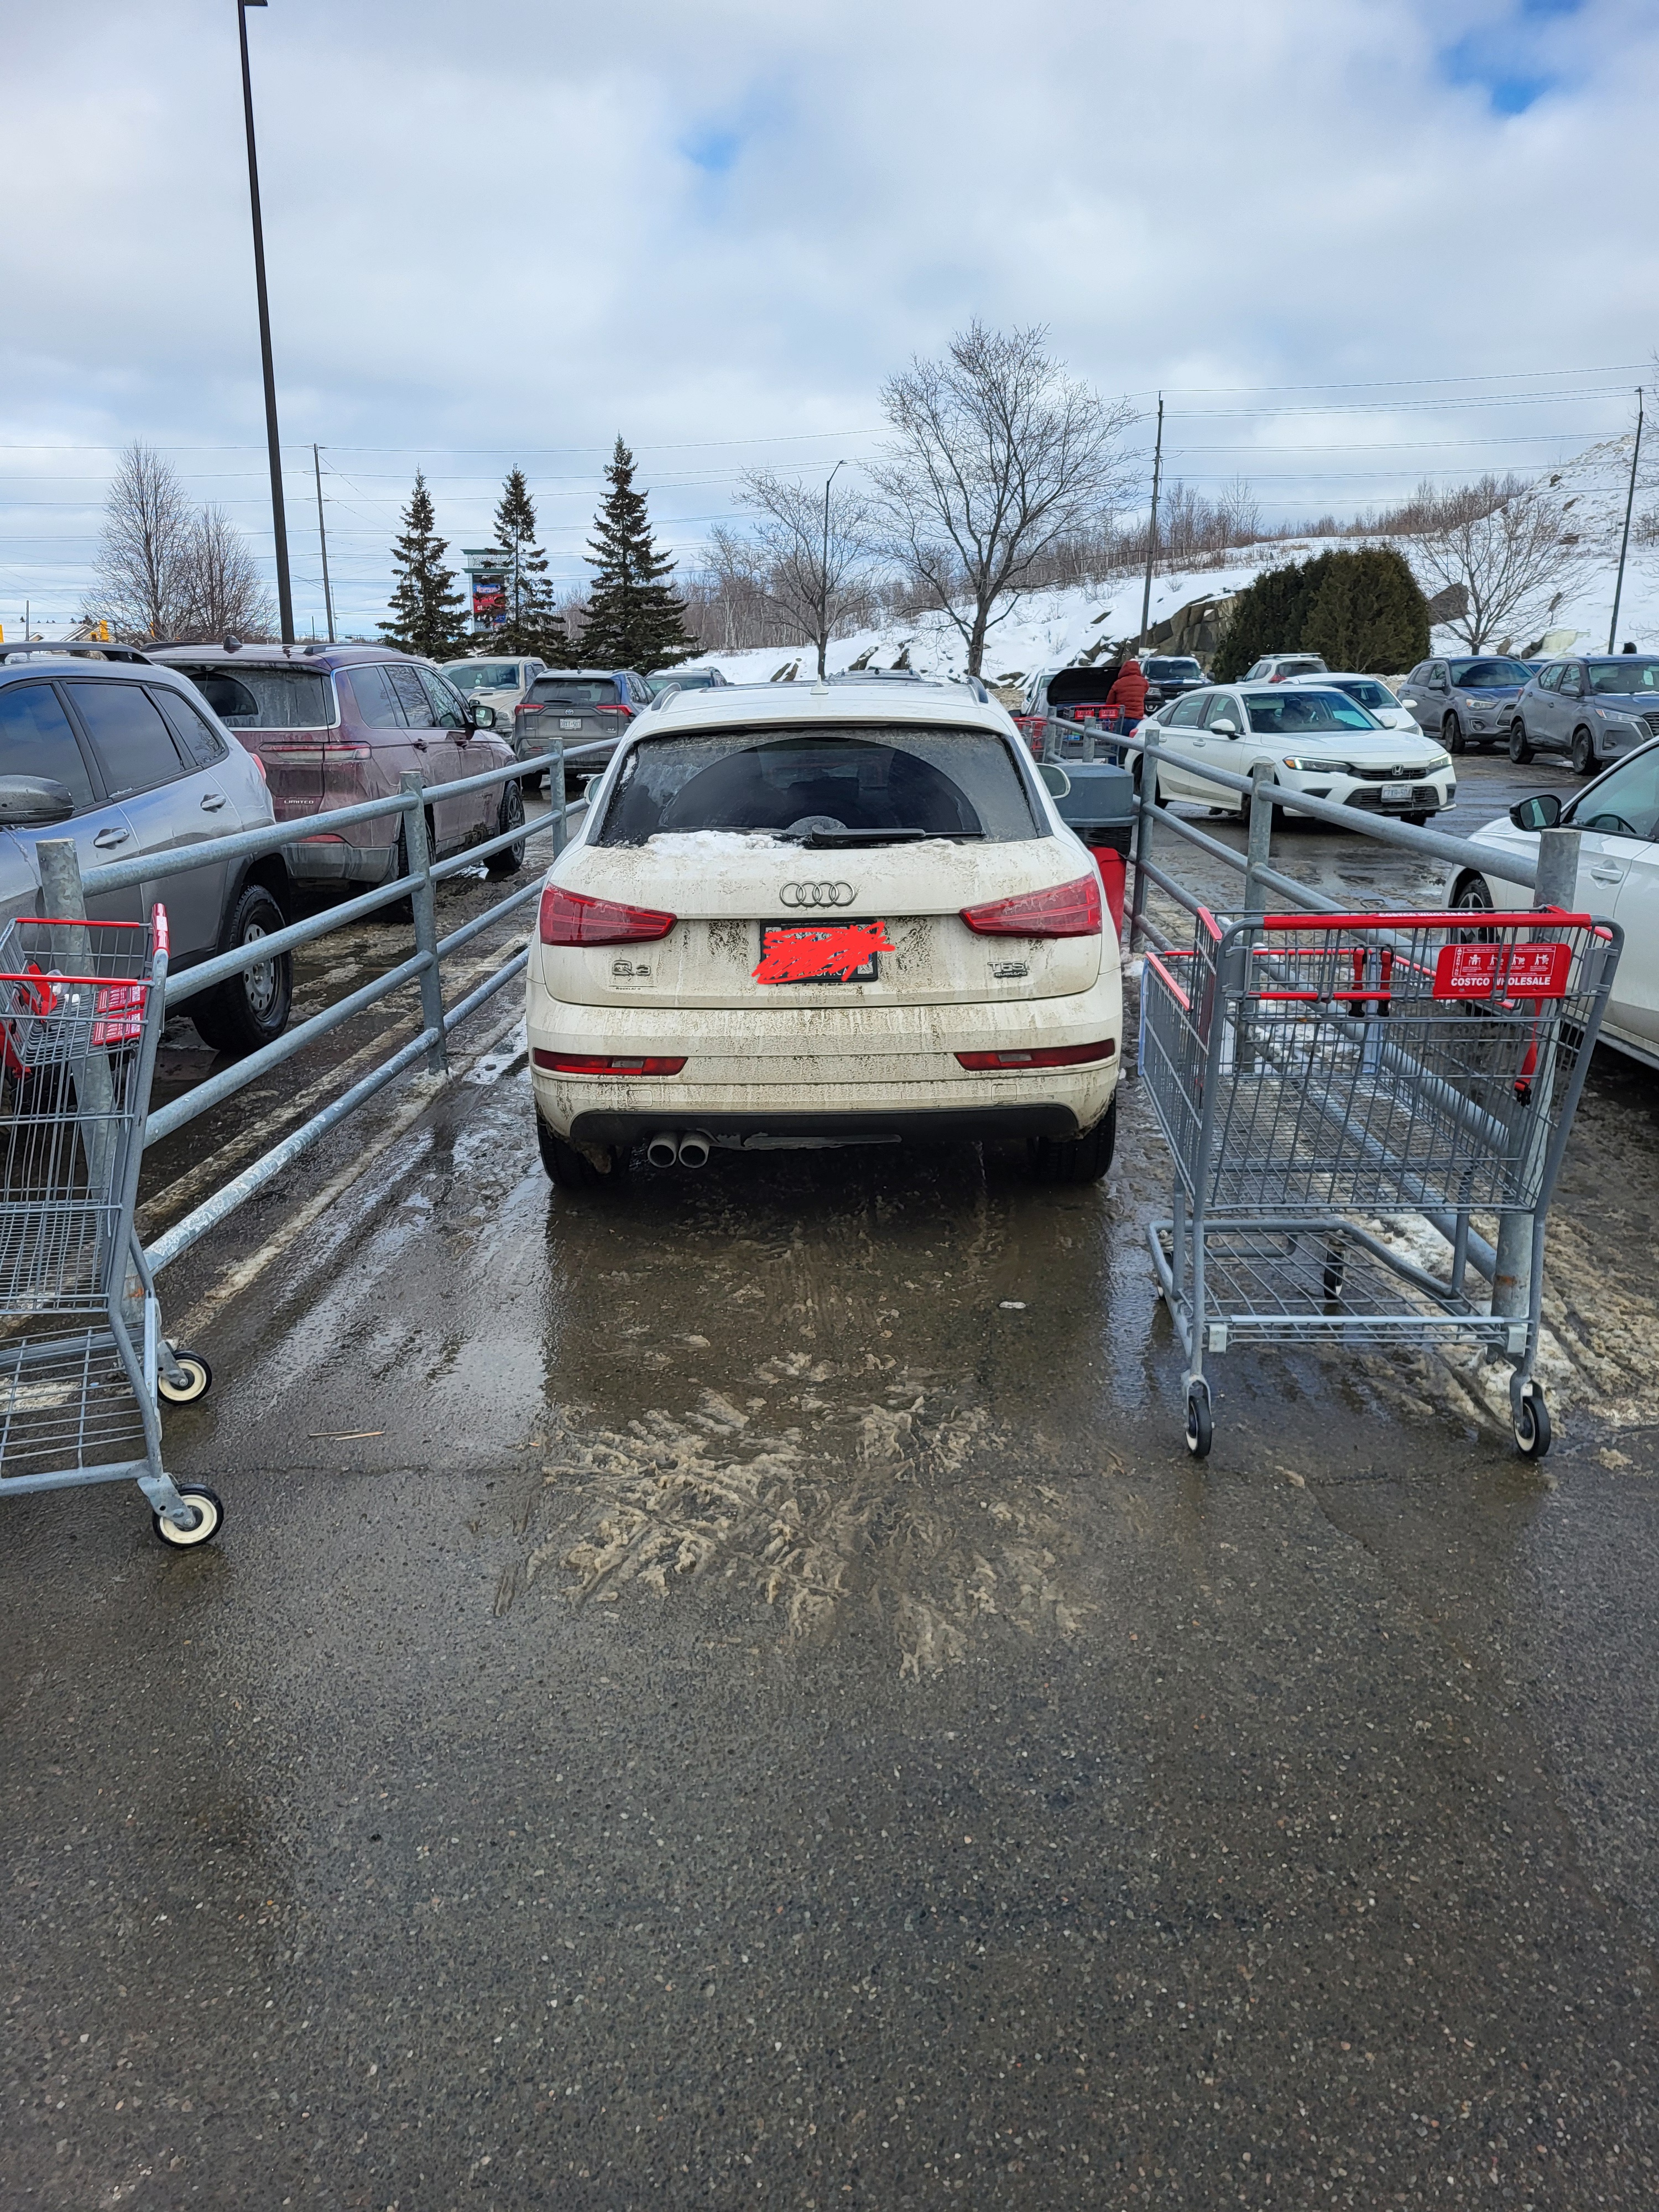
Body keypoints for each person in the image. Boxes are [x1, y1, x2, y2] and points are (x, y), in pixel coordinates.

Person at [1107, 654, 1149, 724]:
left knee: (1119, 735)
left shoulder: (1118, 683)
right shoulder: (1144, 682)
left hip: (1122, 718)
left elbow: (1109, 702)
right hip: (1138, 718)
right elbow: (1146, 690)